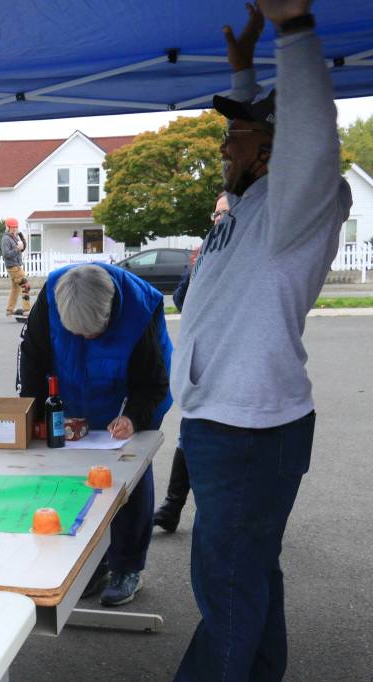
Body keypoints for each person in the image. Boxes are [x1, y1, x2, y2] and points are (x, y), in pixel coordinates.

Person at [172, 2, 352, 679]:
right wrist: (244, 74)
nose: (225, 144)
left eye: (237, 135)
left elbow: (307, 130)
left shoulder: (295, 205)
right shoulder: (251, 201)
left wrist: (294, 30)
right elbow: (261, 128)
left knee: (227, 588)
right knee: (249, 576)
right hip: (228, 423)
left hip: (246, 432)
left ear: (276, 149)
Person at [17, 263, 172, 606]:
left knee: (126, 479)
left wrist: (133, 417)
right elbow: (32, 359)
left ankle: (127, 566)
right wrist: (32, 413)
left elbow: (154, 383)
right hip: (74, 395)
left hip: (131, 397)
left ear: (111, 311)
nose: (86, 338)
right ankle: (95, 562)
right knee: (72, 476)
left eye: (94, 332)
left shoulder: (139, 309)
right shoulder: (52, 298)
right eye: (77, 333)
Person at [153, 193, 228, 533]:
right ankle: (172, 508)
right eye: (215, 213)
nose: (218, 219)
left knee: (220, 439)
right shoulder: (207, 253)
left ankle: (217, 513)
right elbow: (182, 300)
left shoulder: (248, 254)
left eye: (225, 213)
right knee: (189, 432)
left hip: (232, 362)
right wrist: (196, 270)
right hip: (200, 362)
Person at [1, 217, 31, 316]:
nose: (14, 229)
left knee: (15, 288)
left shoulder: (15, 237)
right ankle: (26, 309)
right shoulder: (6, 239)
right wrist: (17, 249)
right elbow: (6, 254)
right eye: (12, 227)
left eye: (16, 227)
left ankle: (10, 310)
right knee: (25, 285)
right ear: (8, 228)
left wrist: (22, 244)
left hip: (16, 265)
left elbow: (20, 250)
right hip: (13, 267)